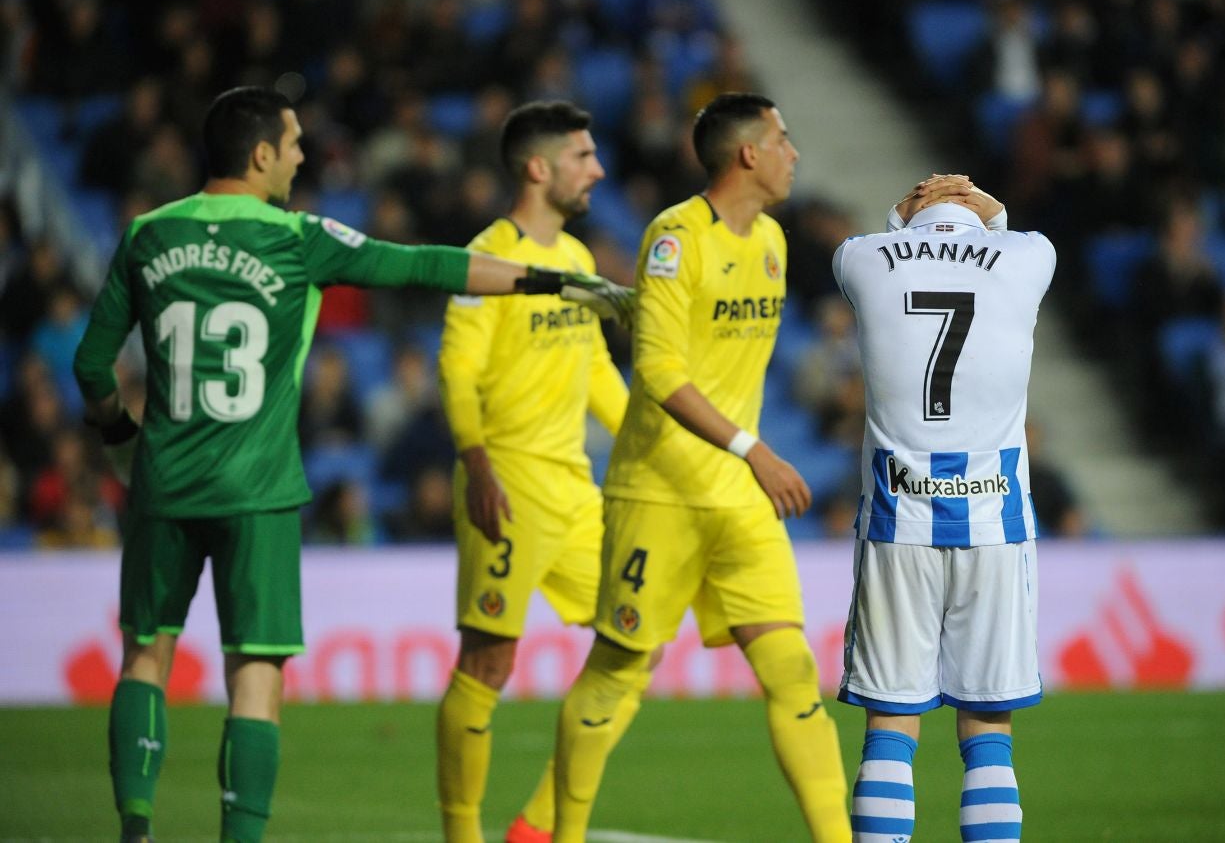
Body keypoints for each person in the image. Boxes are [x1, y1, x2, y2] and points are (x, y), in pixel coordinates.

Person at [70, 85, 632, 843]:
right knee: (256, 674)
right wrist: (546, 280)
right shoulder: (297, 237)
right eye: (295, 143)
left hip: (163, 483)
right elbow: (421, 266)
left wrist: (120, 439)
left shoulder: (147, 235)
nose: (304, 156)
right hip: (258, 490)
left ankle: (134, 825)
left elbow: (91, 366)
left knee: (145, 653)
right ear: (262, 153)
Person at [550, 92, 851, 843]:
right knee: (618, 669)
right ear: (747, 153)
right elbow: (657, 371)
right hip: (659, 492)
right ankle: (565, 836)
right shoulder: (675, 238)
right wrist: (753, 449)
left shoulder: (774, 243)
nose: (794, 154)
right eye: (782, 139)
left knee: (790, 674)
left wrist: (746, 456)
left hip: (737, 499)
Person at [833, 175, 1054, 842]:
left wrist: (906, 207)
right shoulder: (1026, 259)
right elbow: (1011, 231)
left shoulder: (863, 259)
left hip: (897, 522)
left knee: (890, 727)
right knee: (988, 730)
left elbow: (868, 240)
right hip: (993, 522)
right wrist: (983, 204)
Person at [434, 100, 631, 843]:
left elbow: (597, 381)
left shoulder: (578, 263)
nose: (598, 170)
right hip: (506, 484)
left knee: (631, 645)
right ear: (537, 168)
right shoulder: (485, 257)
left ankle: (539, 827)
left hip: (573, 492)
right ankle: (462, 834)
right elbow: (456, 370)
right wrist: (476, 463)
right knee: (488, 662)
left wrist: (667, 436)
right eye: (583, 156)